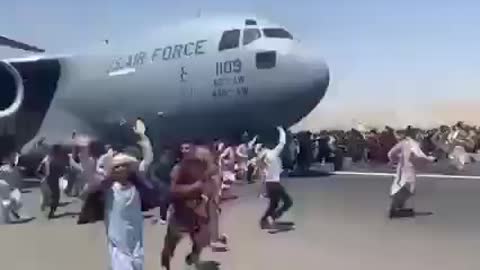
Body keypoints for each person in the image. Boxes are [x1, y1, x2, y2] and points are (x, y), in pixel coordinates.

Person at [77, 119, 154, 270]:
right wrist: (84, 151)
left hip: (135, 237)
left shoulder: (136, 183)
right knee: (122, 263)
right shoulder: (108, 187)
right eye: (116, 167)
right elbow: (89, 172)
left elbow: (148, 159)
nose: (120, 169)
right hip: (118, 240)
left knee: (137, 263)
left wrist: (143, 137)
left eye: (124, 166)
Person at [161, 149, 210, 270]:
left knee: (201, 240)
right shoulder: (178, 169)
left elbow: (206, 187)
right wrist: (193, 187)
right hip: (179, 212)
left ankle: (192, 258)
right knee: (171, 244)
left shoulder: (203, 170)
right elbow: (173, 190)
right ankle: (165, 263)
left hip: (196, 212)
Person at [387, 129, 436, 218]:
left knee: (403, 185)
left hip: (404, 168)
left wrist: (394, 161)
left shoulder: (405, 143)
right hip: (407, 168)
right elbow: (419, 155)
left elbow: (391, 154)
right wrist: (430, 159)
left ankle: (396, 208)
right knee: (405, 186)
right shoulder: (411, 143)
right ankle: (394, 209)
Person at [258, 127, 293, 229]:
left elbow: (262, 170)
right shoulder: (272, 153)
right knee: (288, 202)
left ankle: (264, 221)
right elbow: (282, 143)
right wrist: (281, 130)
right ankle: (271, 217)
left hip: (269, 184)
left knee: (274, 204)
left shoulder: (262, 155)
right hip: (275, 183)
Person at [0, 151, 30, 222]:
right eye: (12, 158)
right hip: (5, 188)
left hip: (14, 189)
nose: (13, 160)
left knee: (18, 203)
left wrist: (20, 187)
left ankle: (13, 211)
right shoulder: (3, 168)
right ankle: (7, 219)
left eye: (14, 158)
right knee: (6, 204)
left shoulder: (16, 168)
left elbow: (18, 179)